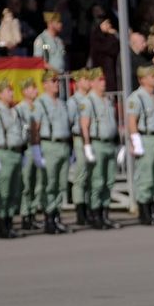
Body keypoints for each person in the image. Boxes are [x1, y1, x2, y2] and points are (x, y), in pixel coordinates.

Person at [0, 79, 28, 240]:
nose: (11, 93)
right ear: (0, 93)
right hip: (3, 153)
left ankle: (9, 222)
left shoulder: (14, 111)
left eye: (11, 90)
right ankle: (2, 225)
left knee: (14, 190)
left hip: (16, 153)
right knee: (3, 190)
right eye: (8, 91)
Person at [33, 73, 73, 234]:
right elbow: (35, 127)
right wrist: (36, 150)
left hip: (62, 145)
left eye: (57, 81)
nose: (57, 84)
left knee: (61, 183)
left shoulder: (62, 103)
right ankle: (49, 218)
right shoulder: (40, 103)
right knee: (50, 183)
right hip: (49, 144)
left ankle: (56, 216)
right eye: (53, 81)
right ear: (45, 84)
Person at [127, 66, 154, 226]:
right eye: (151, 76)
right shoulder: (137, 97)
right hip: (145, 137)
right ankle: (144, 212)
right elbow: (132, 121)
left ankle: (153, 209)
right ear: (142, 79)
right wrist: (136, 142)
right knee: (146, 176)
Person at [82, 68, 120, 230]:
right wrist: (87, 145)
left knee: (109, 180)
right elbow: (85, 124)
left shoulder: (107, 100)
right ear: (91, 82)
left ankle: (105, 214)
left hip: (109, 143)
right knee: (97, 180)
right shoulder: (88, 101)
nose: (103, 83)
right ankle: (95, 214)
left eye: (103, 80)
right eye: (99, 80)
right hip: (97, 143)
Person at [15, 77, 44, 234]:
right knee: (26, 182)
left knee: (37, 182)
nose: (35, 91)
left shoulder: (38, 107)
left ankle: (33, 212)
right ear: (25, 91)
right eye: (32, 88)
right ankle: (25, 214)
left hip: (38, 147)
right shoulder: (20, 108)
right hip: (27, 148)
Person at [67, 69, 92, 227]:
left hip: (90, 139)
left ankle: (88, 208)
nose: (89, 82)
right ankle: (80, 212)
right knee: (80, 175)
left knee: (89, 175)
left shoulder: (90, 99)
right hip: (79, 138)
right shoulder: (73, 101)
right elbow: (69, 122)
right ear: (77, 82)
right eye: (85, 79)